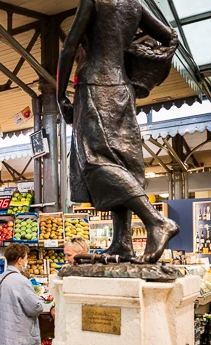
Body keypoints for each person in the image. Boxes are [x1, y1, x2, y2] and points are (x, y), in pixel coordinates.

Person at [57, 0, 178, 263]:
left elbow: (68, 49)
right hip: (123, 89)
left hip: (94, 85)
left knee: (95, 159)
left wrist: (60, 98)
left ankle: (156, 221)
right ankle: (122, 243)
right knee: (121, 160)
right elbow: (169, 37)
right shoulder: (135, 4)